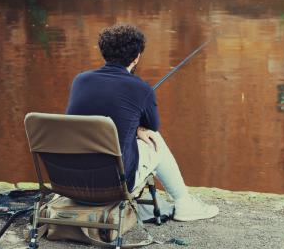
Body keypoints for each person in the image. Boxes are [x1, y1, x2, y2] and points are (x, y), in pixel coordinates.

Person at [66, 23, 219, 222]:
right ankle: (183, 204)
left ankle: (175, 203)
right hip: (114, 184)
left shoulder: (80, 80)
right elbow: (153, 127)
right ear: (136, 56)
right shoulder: (140, 88)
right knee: (154, 139)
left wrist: (134, 128)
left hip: (71, 181)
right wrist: (139, 128)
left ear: (104, 52)